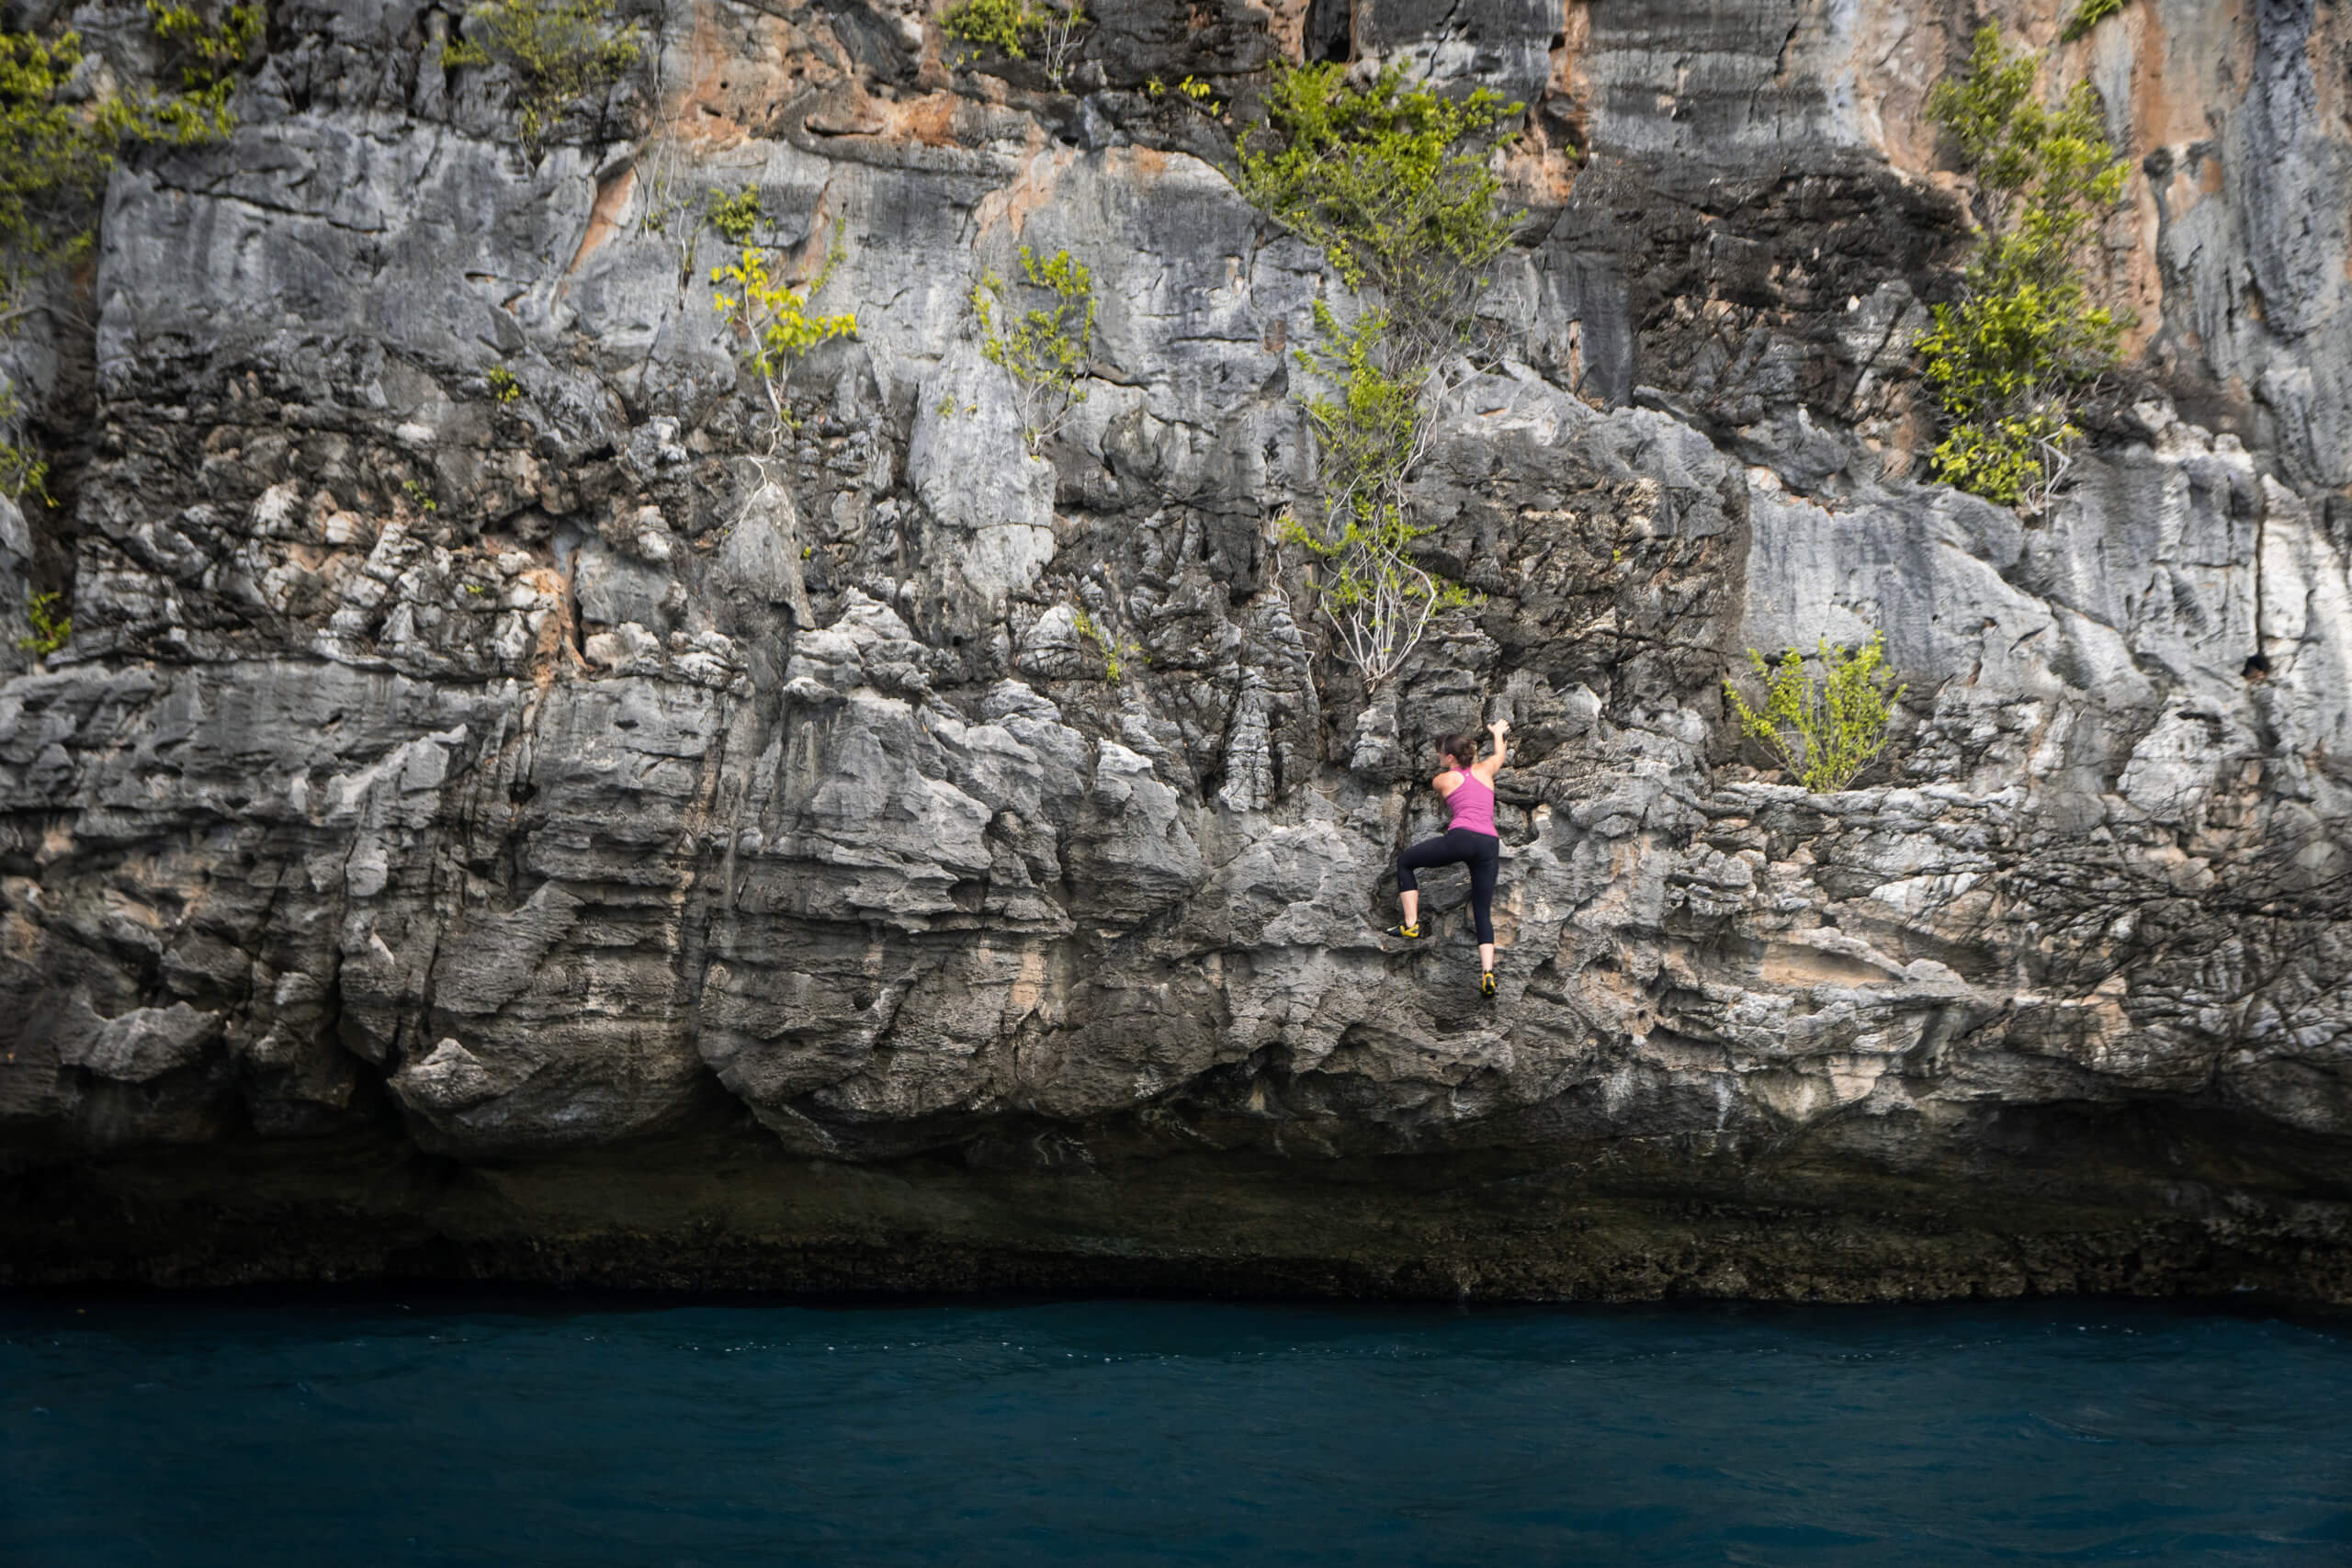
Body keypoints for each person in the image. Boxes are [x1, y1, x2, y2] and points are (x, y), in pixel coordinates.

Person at [1385, 720, 1509, 998]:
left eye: (1440, 752)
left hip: (1462, 837)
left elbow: (1449, 788)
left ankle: (1411, 925)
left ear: (1450, 757)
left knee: (1406, 861)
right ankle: (1487, 973)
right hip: (1489, 843)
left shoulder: (1442, 780)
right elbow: (1499, 756)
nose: (1437, 757)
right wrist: (1498, 734)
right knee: (1482, 911)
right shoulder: (1486, 770)